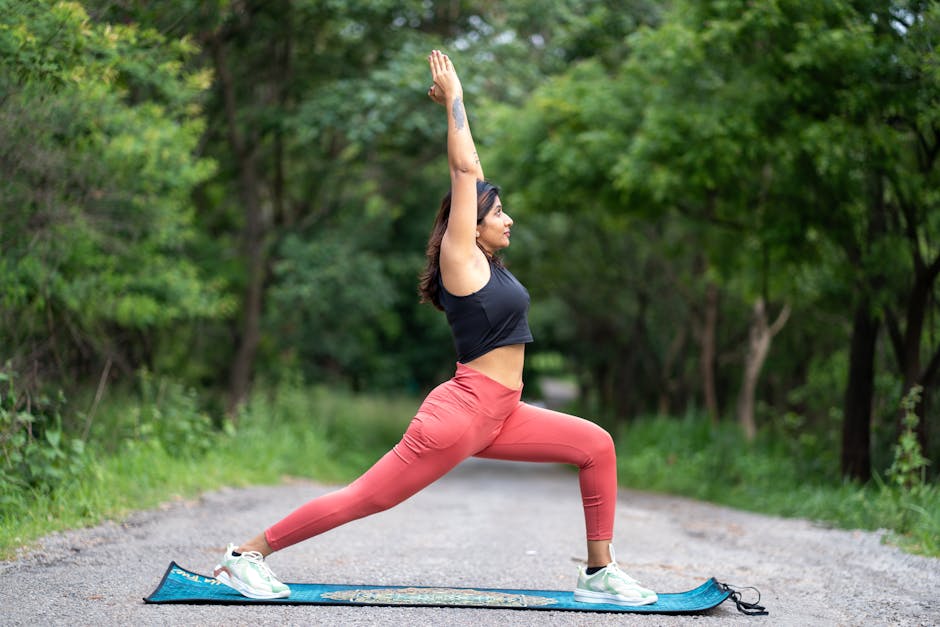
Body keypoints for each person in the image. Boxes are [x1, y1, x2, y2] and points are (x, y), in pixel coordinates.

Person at [212, 50, 658, 607]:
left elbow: (475, 174)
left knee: (596, 445)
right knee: (367, 498)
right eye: (498, 213)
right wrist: (455, 100)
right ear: (471, 223)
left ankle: (598, 573)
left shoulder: (489, 269)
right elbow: (465, 171)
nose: (508, 219)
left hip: (503, 413)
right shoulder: (461, 257)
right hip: (462, 414)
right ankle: (246, 556)